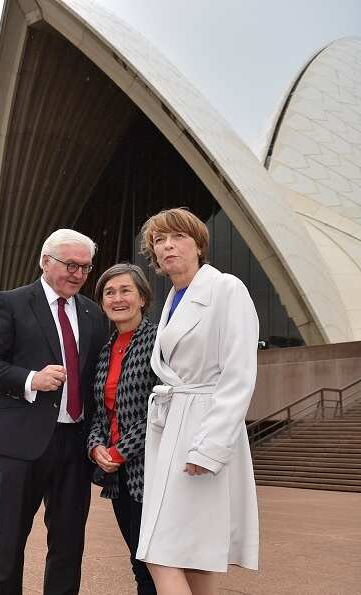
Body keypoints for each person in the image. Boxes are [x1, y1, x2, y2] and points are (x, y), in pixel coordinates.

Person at [0, 229, 108, 595]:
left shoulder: (93, 315)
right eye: (70, 264)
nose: (78, 274)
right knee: (10, 537)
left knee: (68, 541)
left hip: (75, 443)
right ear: (45, 262)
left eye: (85, 267)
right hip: (19, 442)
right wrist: (32, 379)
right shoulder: (12, 302)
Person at [136, 208, 260, 594]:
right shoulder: (172, 299)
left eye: (178, 237)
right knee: (193, 552)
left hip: (203, 430)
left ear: (198, 245)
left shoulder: (226, 289)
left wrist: (210, 447)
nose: (167, 246)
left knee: (161, 551)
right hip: (172, 426)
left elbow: (238, 374)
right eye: (159, 240)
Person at [85, 264, 159, 595]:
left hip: (152, 470)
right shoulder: (105, 349)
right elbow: (101, 410)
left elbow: (161, 408)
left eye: (125, 290)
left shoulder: (159, 340)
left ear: (142, 297)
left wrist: (120, 451)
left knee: (154, 561)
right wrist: (95, 447)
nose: (117, 298)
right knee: (137, 559)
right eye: (109, 293)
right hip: (119, 477)